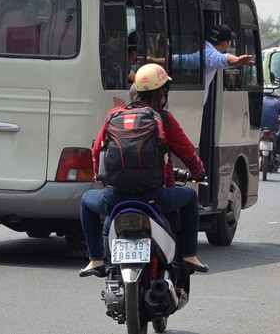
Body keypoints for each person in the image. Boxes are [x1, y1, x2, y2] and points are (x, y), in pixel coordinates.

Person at [79, 63, 208, 278]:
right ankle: (189, 256)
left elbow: (96, 153)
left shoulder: (115, 115)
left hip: (115, 197)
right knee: (190, 197)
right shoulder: (165, 120)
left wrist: (105, 180)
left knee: (86, 200)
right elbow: (187, 155)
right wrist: (198, 172)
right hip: (154, 197)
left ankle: (96, 259)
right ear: (162, 93)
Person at [173, 24, 254, 105]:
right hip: (191, 105)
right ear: (224, 43)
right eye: (229, 42)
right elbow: (225, 59)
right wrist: (239, 60)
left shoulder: (204, 49)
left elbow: (177, 59)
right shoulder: (211, 55)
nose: (229, 45)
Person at [261, 86, 280, 165]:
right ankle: (278, 154)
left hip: (259, 128)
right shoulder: (278, 103)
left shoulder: (257, 101)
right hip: (273, 129)